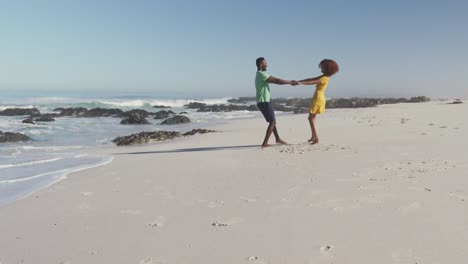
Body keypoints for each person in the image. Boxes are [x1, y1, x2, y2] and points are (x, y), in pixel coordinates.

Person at [255, 57, 298, 148]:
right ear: (261, 64)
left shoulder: (259, 74)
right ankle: (265, 143)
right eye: (265, 63)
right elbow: (277, 81)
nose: (267, 64)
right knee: (273, 122)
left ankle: (277, 138)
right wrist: (290, 82)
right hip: (264, 101)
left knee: (272, 121)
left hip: (263, 100)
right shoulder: (262, 74)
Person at [298, 59, 339, 144]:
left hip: (318, 98)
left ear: (327, 68)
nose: (321, 68)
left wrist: (300, 83)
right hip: (318, 97)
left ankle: (316, 138)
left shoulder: (324, 78)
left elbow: (312, 82)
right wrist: (298, 81)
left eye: (322, 67)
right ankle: (313, 137)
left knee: (310, 118)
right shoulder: (323, 76)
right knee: (312, 118)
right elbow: (311, 79)